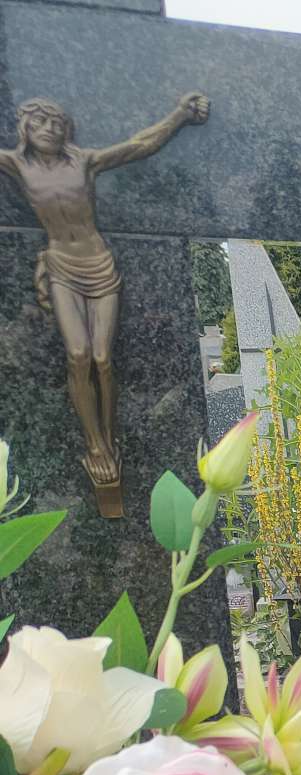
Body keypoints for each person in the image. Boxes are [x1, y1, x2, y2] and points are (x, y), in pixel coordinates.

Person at [1, 93, 209, 515]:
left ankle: (110, 442)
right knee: (78, 354)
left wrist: (180, 115)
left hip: (99, 264)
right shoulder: (16, 165)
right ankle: (95, 445)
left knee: (102, 358)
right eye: (40, 123)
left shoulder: (84, 161)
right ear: (25, 129)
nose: (50, 130)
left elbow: (139, 144)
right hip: (61, 266)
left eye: (57, 124)